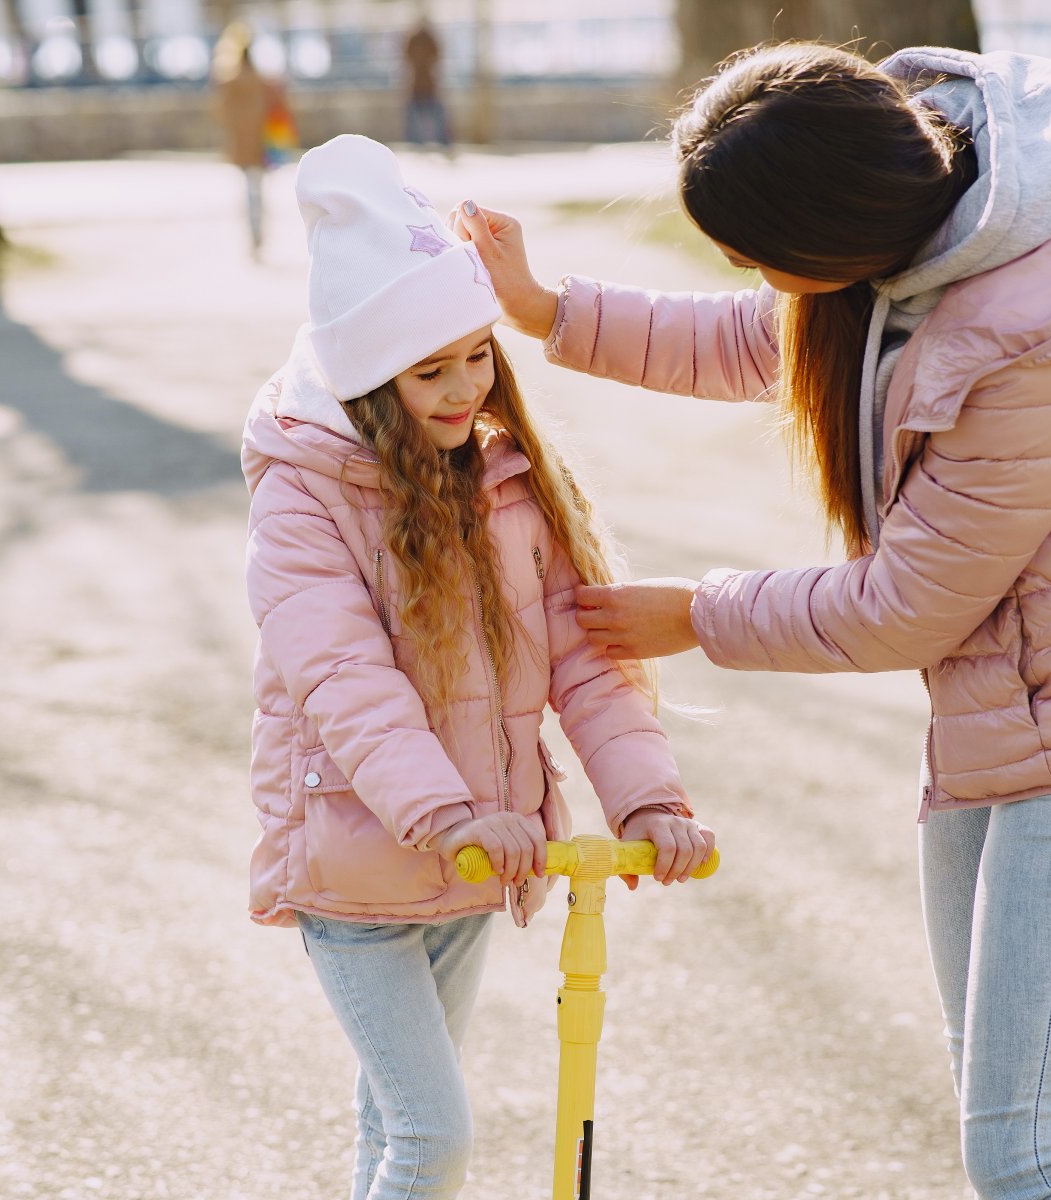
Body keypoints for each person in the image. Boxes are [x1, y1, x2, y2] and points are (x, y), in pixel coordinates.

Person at [453, 43, 1051, 1200]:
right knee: (1007, 1128)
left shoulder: (1035, 335)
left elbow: (905, 604)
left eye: (756, 256)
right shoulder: (905, 238)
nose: (748, 279)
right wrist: (547, 309)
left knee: (1035, 1159)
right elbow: (762, 338)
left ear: (827, 236)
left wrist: (697, 614)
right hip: (1009, 714)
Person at [240, 134, 716, 1200]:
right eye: (430, 369)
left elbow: (585, 663)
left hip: (470, 863)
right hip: (361, 857)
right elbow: (345, 681)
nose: (466, 389)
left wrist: (647, 800)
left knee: (393, 1124)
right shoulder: (305, 494)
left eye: (477, 355)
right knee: (431, 1135)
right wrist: (448, 815)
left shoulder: (501, 482)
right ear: (369, 375)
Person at [209, 21, 295, 259]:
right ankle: (258, 234)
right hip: (262, 145)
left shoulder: (228, 81)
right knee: (257, 191)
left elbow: (220, 111)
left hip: (243, 146)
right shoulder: (264, 81)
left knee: (250, 191)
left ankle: (255, 235)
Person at [403, 14, 454, 153]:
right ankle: (418, 141)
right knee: (418, 113)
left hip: (426, 83)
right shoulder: (416, 39)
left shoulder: (422, 39)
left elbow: (436, 54)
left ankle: (440, 140)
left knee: (435, 112)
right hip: (420, 83)